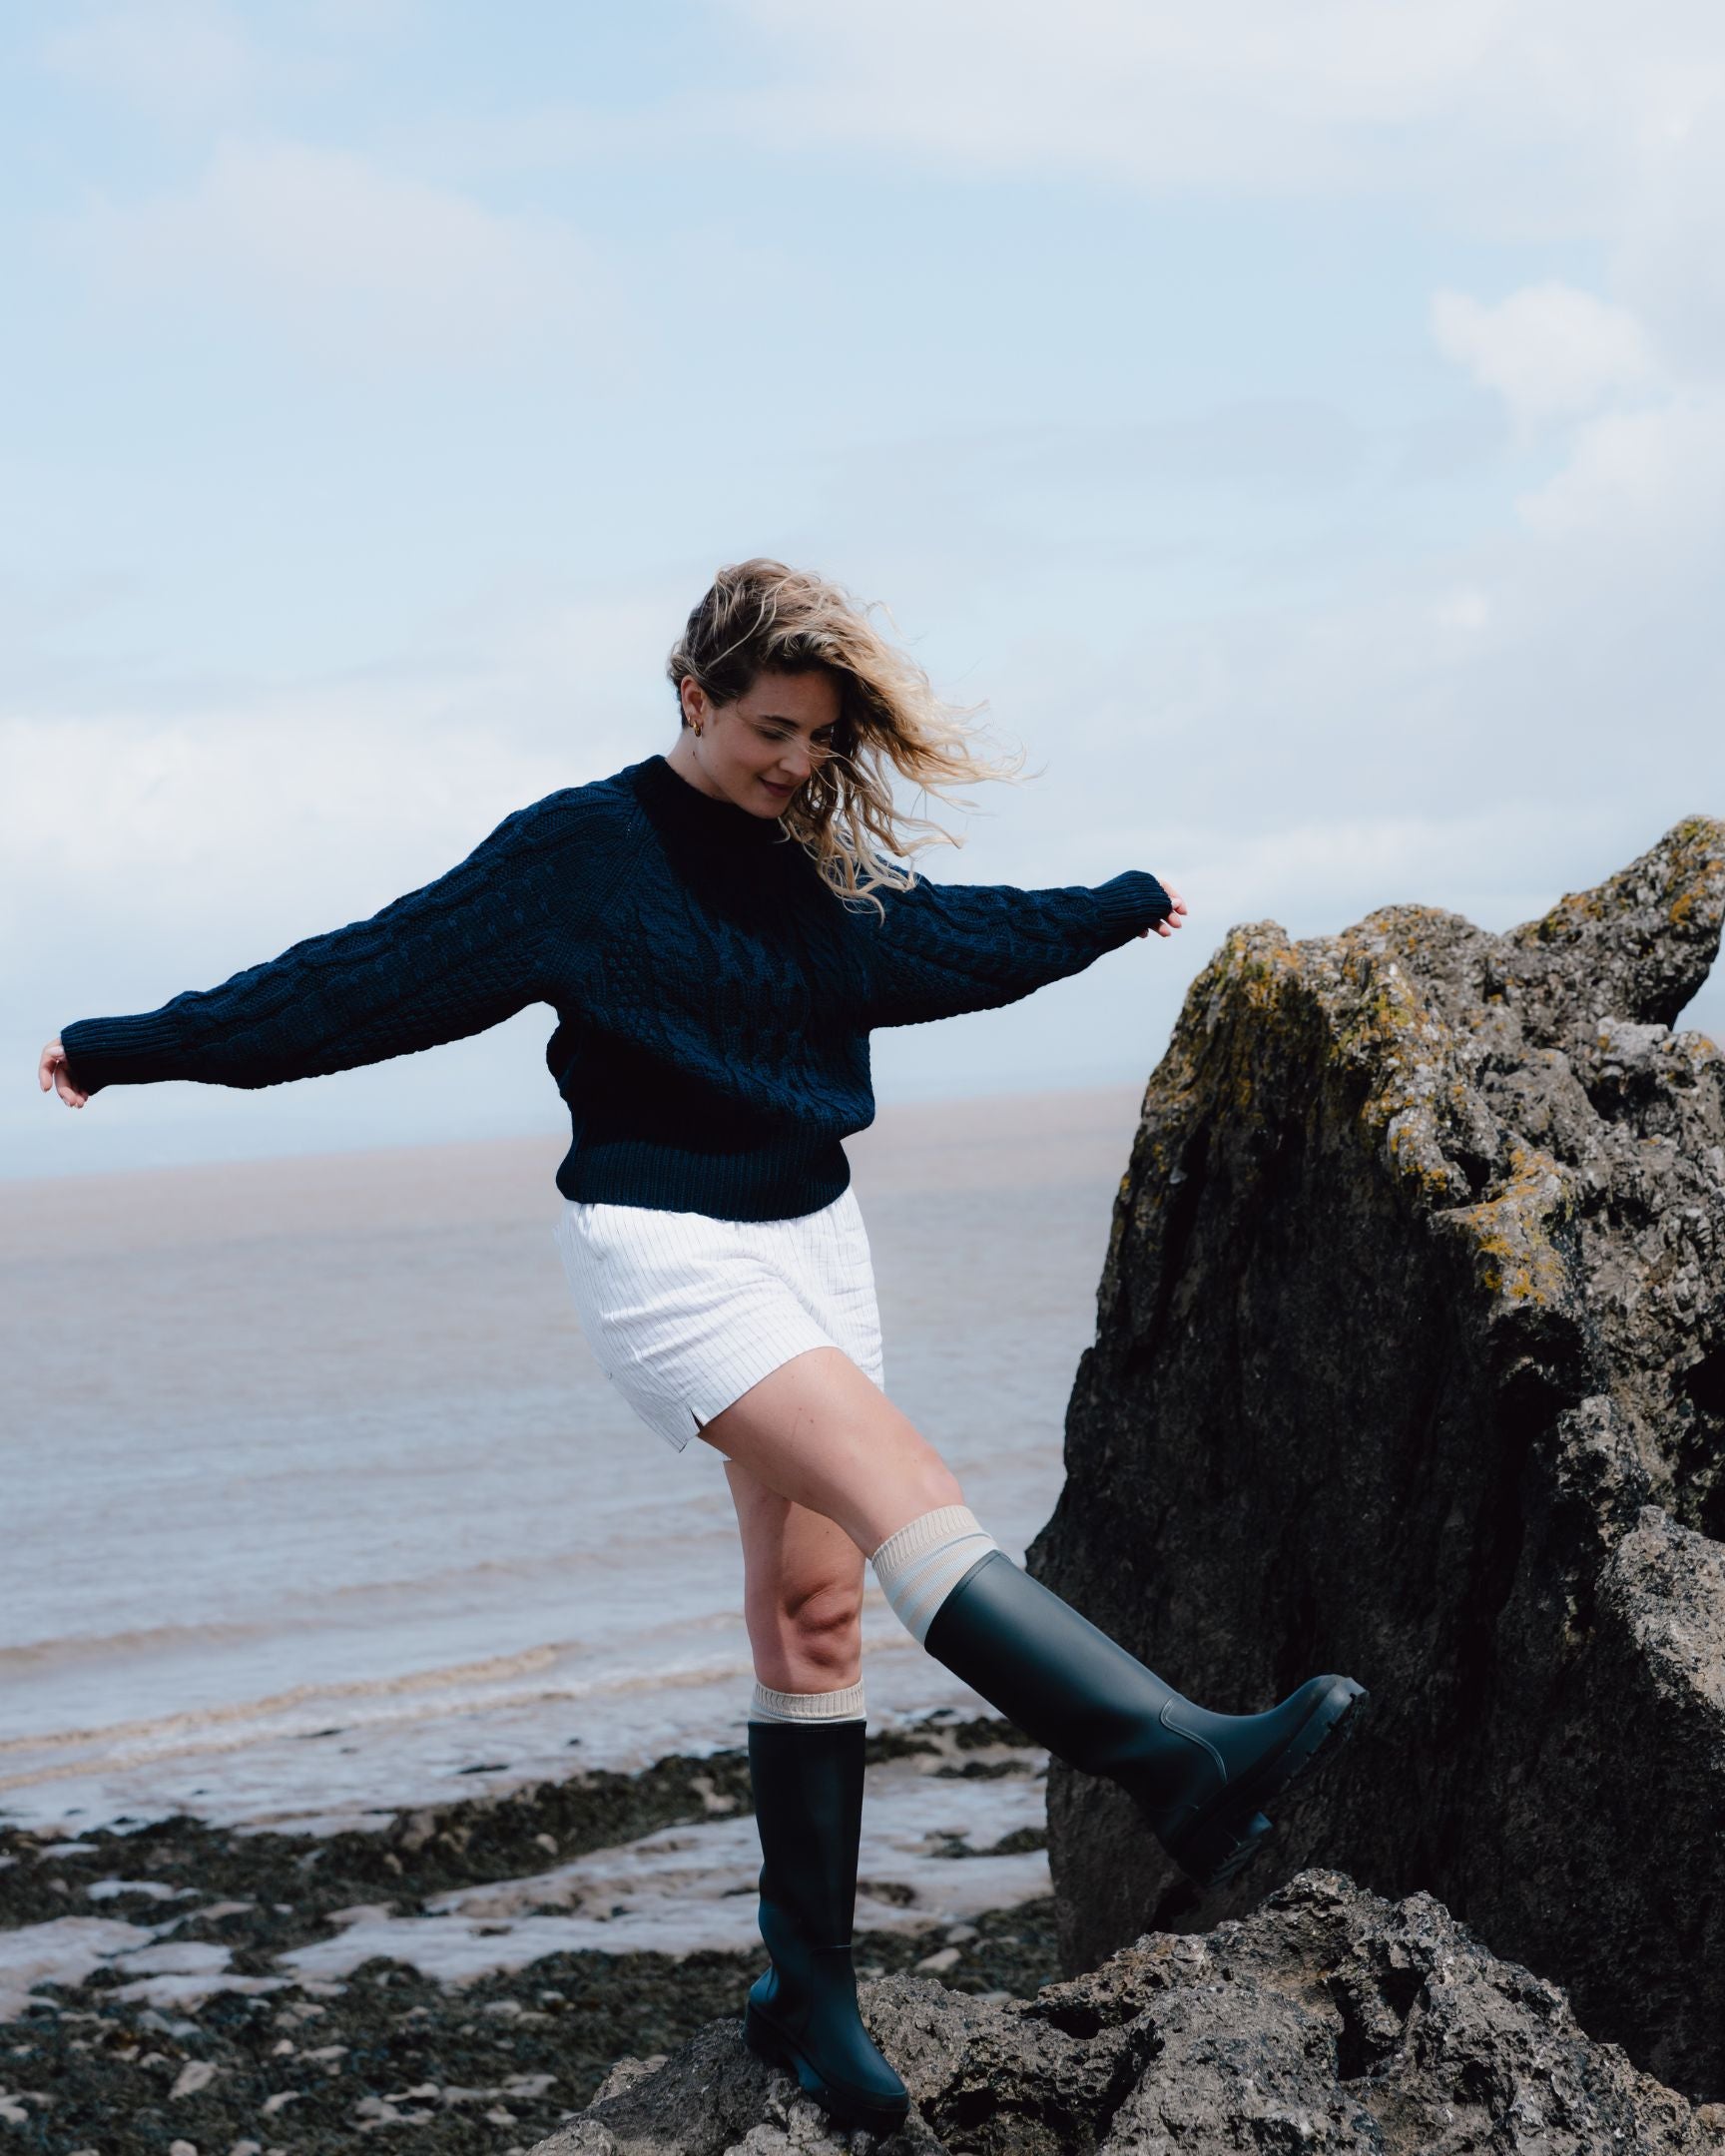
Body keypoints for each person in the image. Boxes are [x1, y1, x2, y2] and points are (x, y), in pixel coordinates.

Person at [40, 558, 1367, 2140]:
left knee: (816, 1612)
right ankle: (1177, 1765)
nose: (798, 763)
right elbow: (360, 984)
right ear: (694, 697)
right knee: (909, 1493)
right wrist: (131, 1049)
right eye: (771, 731)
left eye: (820, 738)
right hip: (666, 1254)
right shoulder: (582, 855)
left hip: (815, 1241)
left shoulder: (809, 869)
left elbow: (948, 944)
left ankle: (806, 1992)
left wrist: (1107, 911)